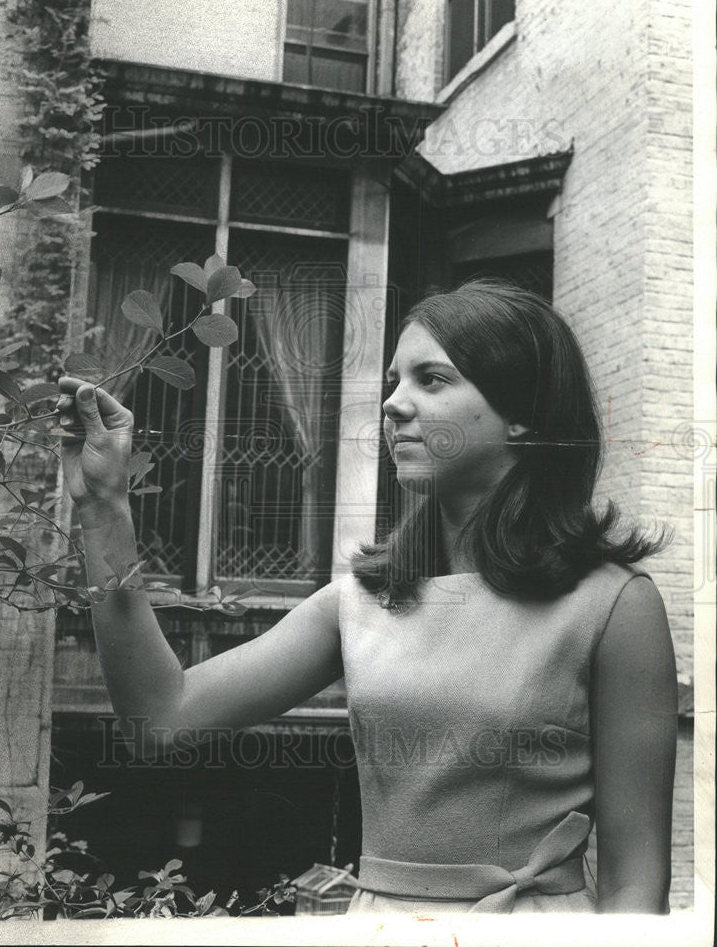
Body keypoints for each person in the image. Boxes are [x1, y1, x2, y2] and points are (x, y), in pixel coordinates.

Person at [56, 278, 678, 915]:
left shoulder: (613, 606)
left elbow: (636, 884)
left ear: (524, 413)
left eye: (432, 379)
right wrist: (102, 508)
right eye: (394, 380)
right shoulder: (357, 602)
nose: (393, 405)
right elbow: (160, 717)